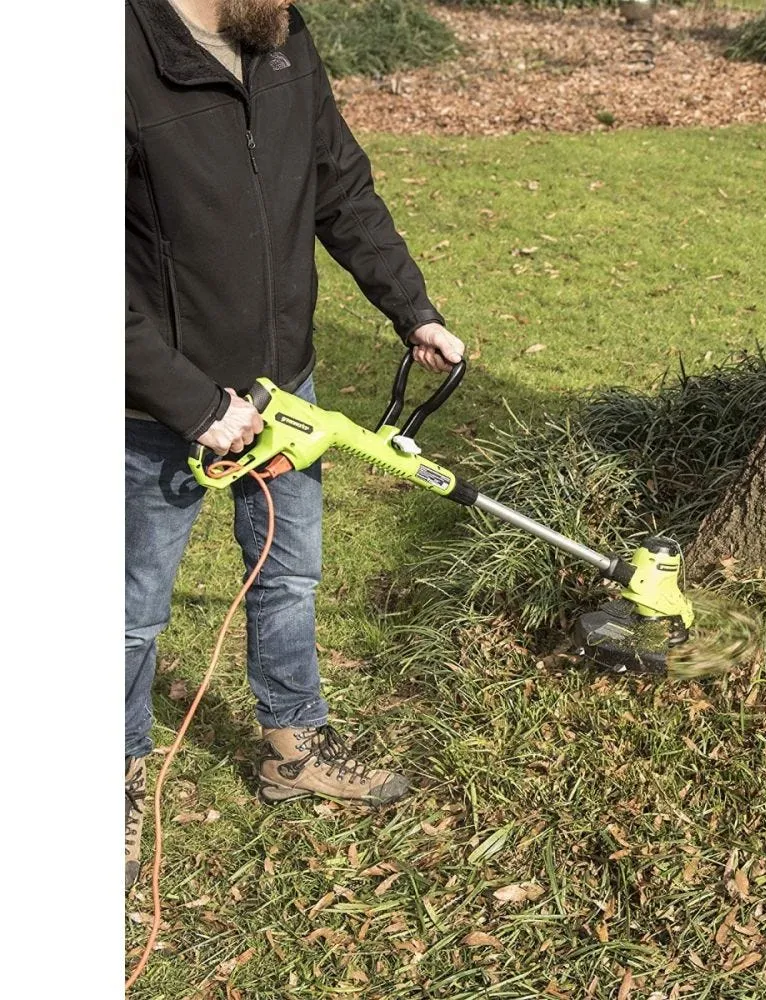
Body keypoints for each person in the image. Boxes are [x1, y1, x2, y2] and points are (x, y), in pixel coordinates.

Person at [124, 0, 464, 890]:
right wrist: (192, 402)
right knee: (127, 614)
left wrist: (412, 306)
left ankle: (293, 741)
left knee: (289, 573)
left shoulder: (278, 34)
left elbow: (338, 183)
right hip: (151, 405)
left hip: (283, 383)